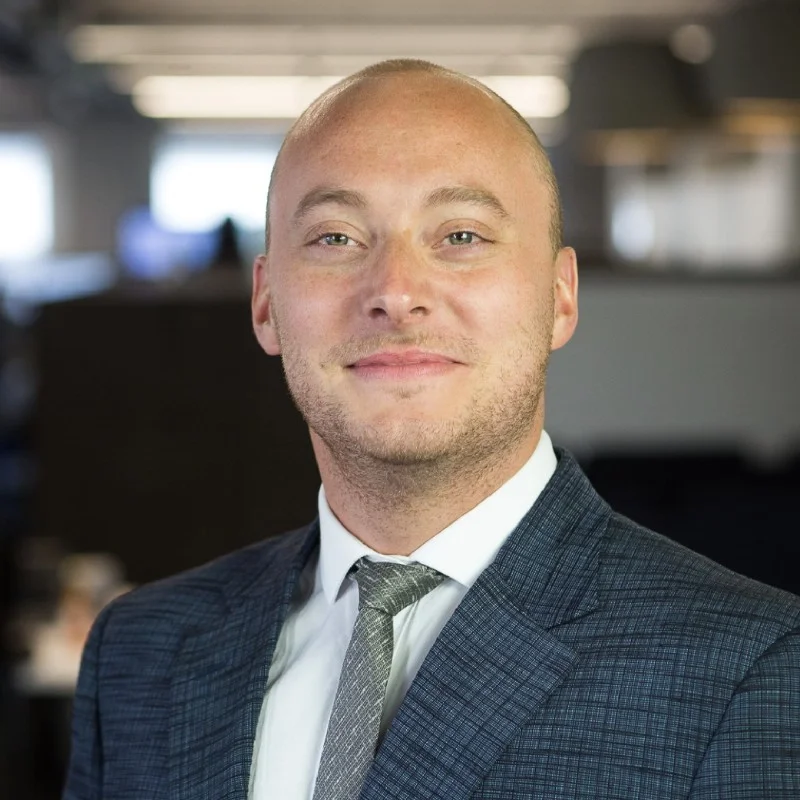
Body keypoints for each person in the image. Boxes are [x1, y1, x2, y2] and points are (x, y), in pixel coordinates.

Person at [64, 60, 800, 800]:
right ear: (265, 305)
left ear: (560, 297)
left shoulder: (752, 668)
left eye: (461, 235)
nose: (395, 292)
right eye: (336, 238)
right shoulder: (139, 654)